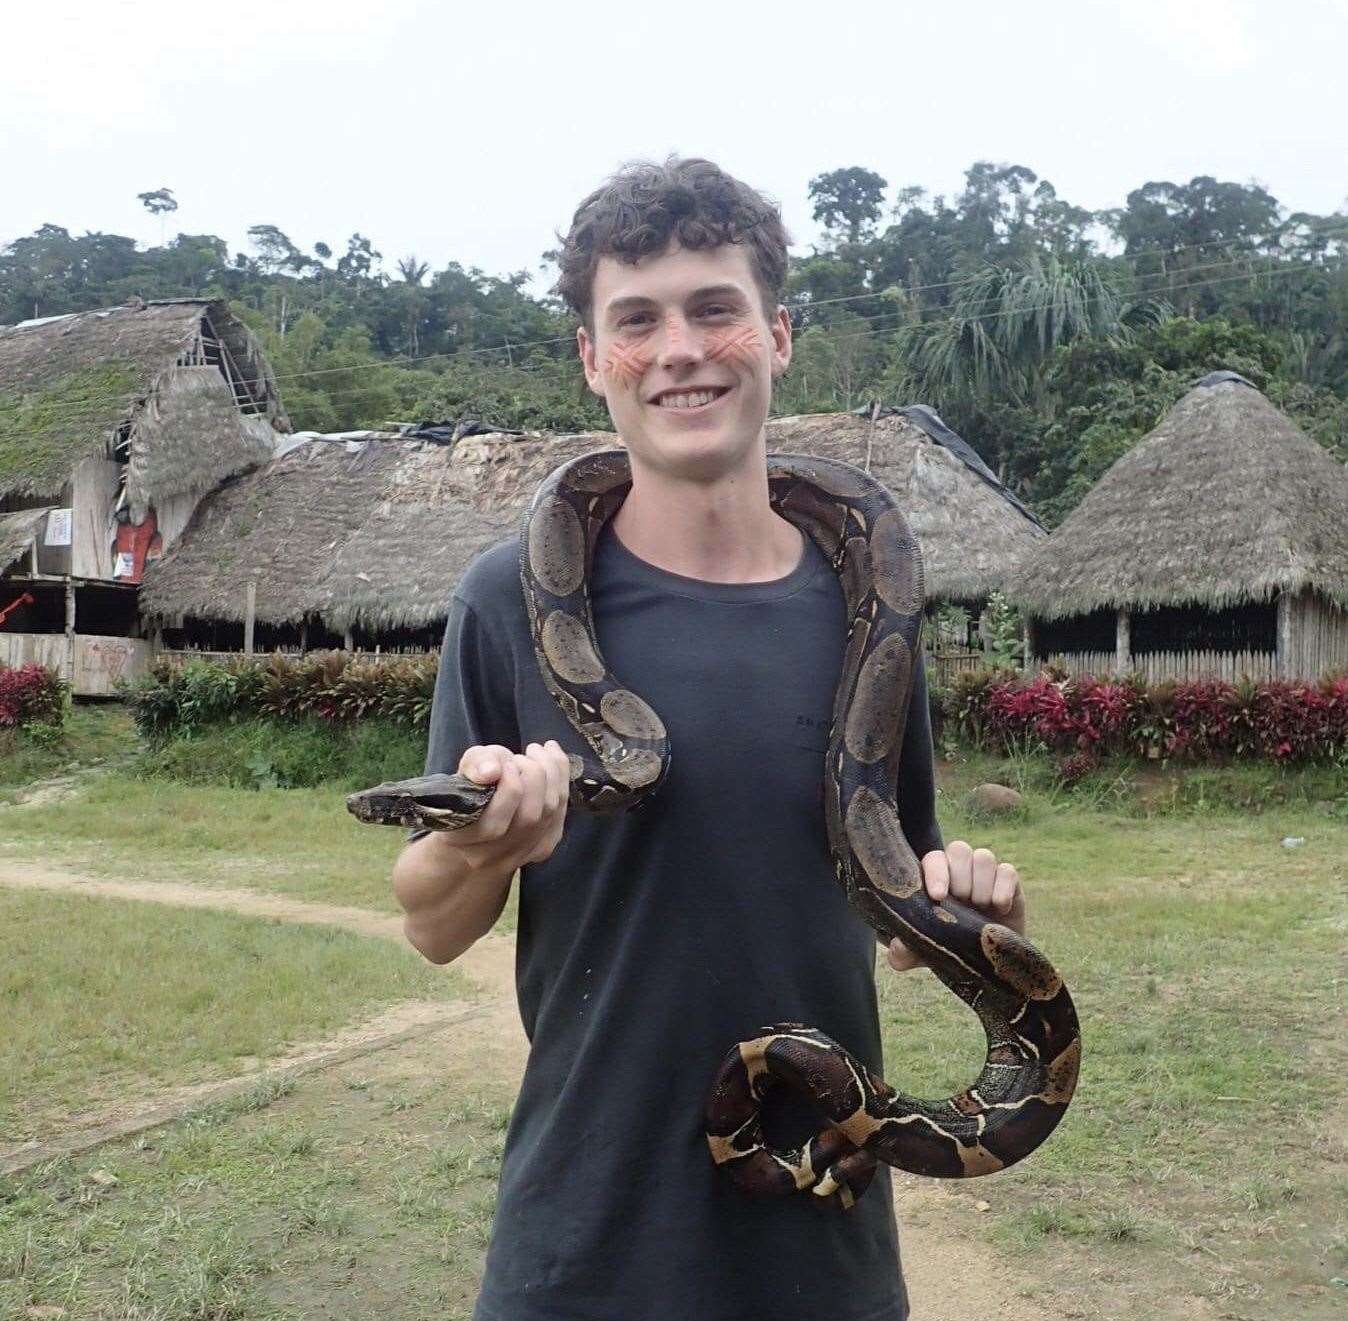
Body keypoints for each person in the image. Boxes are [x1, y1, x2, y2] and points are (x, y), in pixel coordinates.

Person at [390, 157, 1027, 1321]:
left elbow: (897, 886)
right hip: (582, 1239)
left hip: (822, 1250)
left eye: (714, 308)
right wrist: (484, 845)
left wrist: (960, 918)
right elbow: (431, 925)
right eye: (636, 320)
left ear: (776, 336)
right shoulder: (505, 601)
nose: (679, 348)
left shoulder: (865, 612)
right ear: (593, 361)